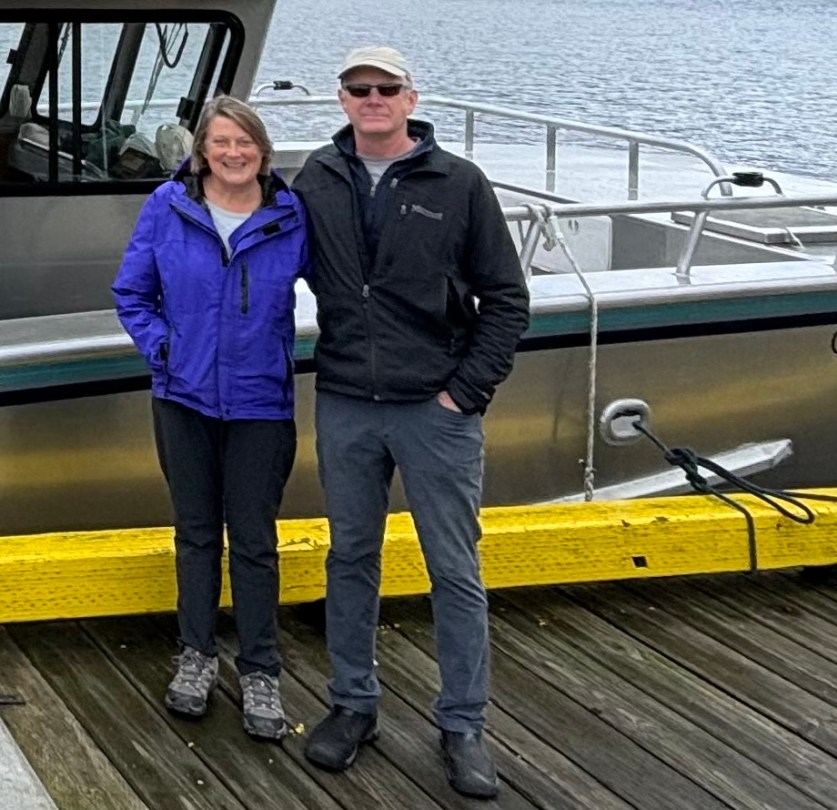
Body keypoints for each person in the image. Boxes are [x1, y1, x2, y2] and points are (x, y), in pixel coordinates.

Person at [292, 46, 529, 797]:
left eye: (385, 89)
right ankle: (353, 704)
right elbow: (259, 243)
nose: (372, 99)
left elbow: (508, 299)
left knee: (454, 570)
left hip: (436, 408)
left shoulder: (458, 183)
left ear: (409, 98)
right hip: (345, 402)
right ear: (342, 99)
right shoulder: (317, 179)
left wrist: (466, 392)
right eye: (358, 88)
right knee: (350, 558)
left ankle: (463, 724)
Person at [112, 96, 308, 741]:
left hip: (260, 403)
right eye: (220, 141)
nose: (232, 152)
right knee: (195, 534)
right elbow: (132, 293)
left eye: (244, 142)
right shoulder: (167, 208)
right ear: (201, 151)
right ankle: (195, 656)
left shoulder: (289, 216)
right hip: (183, 399)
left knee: (253, 541)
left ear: (263, 151)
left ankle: (260, 671)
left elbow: (344, 287)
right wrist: (163, 348)